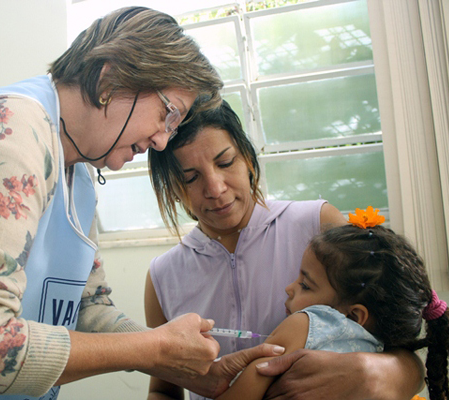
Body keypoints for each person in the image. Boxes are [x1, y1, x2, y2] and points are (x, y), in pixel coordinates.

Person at [0, 7, 283, 400]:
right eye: (167, 114)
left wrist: (183, 364)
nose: (162, 139)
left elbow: (87, 305)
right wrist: (155, 349)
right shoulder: (9, 137)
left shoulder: (77, 173)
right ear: (109, 82)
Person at [146, 100, 425, 400]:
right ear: (172, 189)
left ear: (249, 160)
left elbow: (399, 347)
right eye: (190, 178)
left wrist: (375, 371)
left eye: (226, 163)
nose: (215, 188)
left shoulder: (318, 226)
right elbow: (163, 389)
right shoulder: (163, 276)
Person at [216, 206, 449, 400]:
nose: (289, 288)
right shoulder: (381, 348)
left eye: (305, 284)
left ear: (355, 316)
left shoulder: (304, 325)